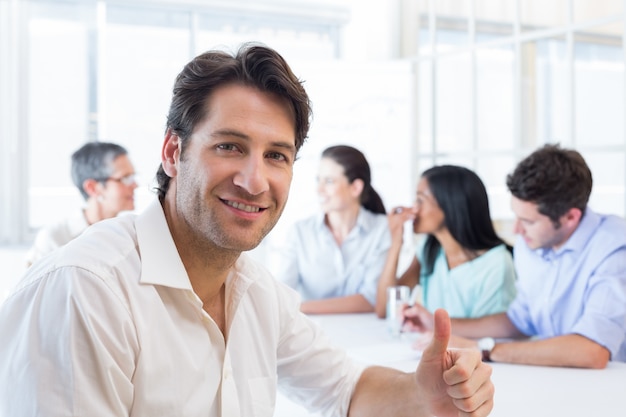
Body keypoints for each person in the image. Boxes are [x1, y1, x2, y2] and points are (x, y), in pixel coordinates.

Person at [0, 44, 494, 417]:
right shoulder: (86, 289)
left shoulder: (255, 291)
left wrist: (420, 394)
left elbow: (346, 386)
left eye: (276, 155)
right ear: (173, 153)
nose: (255, 180)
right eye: (230, 147)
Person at [403, 144, 626, 369]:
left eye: (528, 221)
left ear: (570, 217)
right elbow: (519, 321)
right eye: (516, 217)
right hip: (560, 379)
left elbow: (592, 351)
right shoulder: (532, 244)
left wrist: (484, 349)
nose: (516, 230)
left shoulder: (614, 250)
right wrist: (439, 324)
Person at [376, 165, 516, 319]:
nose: (413, 209)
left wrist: (431, 324)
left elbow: (492, 330)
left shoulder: (496, 263)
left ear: (449, 205)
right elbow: (385, 309)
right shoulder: (430, 249)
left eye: (420, 200)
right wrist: (396, 243)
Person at [275, 145, 391, 314]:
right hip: (311, 334)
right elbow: (283, 295)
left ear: (355, 188)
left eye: (329, 181)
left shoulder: (381, 229)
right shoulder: (300, 232)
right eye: (318, 180)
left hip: (366, 334)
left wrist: (300, 307)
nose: (319, 189)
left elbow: (372, 299)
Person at [25, 141, 137, 267]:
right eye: (125, 178)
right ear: (92, 188)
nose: (135, 185)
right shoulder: (55, 238)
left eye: (133, 177)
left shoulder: (131, 234)